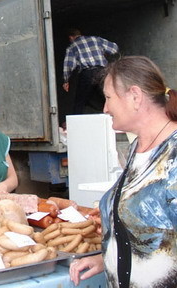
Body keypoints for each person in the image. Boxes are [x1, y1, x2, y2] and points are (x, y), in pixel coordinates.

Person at [69, 56, 177, 287]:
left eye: (108, 98)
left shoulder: (174, 154)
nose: (105, 108)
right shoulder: (135, 149)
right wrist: (107, 258)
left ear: (135, 97)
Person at [62, 28, 119, 114]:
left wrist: (66, 80)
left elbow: (69, 65)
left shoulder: (72, 46)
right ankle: (114, 118)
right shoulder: (96, 39)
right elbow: (114, 48)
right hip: (102, 71)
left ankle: (77, 124)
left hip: (87, 73)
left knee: (80, 102)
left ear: (71, 37)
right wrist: (102, 53)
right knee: (107, 97)